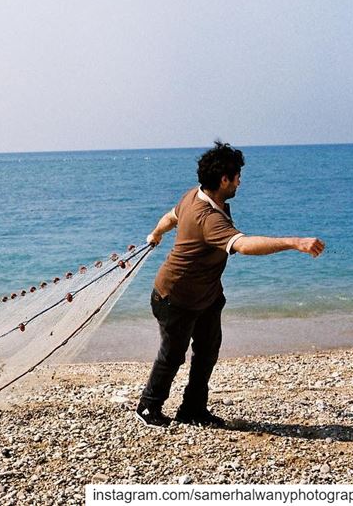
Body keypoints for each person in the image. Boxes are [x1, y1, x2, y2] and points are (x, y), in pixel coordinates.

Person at [135, 141, 325, 428]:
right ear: (224, 180)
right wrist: (294, 242)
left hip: (207, 295)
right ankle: (149, 407)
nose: (240, 181)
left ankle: (193, 410)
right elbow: (244, 245)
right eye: (237, 176)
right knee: (173, 355)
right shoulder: (207, 218)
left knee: (208, 350)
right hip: (175, 297)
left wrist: (156, 233)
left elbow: (170, 217)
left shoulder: (196, 196)